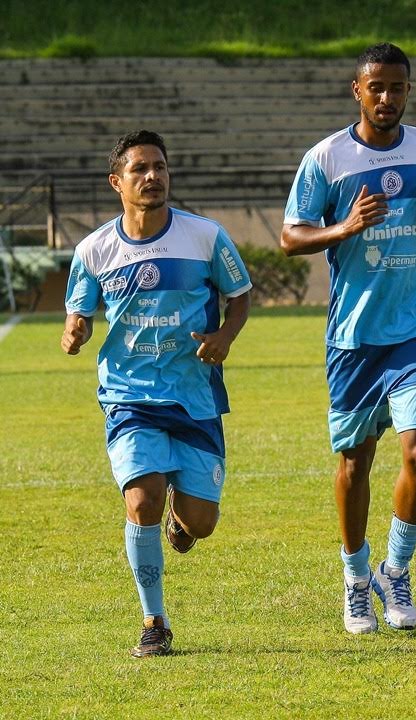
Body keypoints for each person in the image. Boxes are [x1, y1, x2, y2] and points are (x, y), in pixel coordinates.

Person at [281, 43, 416, 634]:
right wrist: (345, 227)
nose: (386, 97)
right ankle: (356, 579)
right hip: (354, 336)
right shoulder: (326, 158)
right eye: (375, 87)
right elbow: (291, 237)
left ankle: (395, 570)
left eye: (396, 87)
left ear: (409, 91)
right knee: (355, 462)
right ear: (357, 90)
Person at [62, 130, 252, 656]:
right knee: (141, 499)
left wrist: (224, 336)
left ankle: (181, 517)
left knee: (201, 524)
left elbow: (239, 296)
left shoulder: (206, 237)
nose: (153, 176)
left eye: (160, 167)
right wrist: (75, 330)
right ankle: (154, 621)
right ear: (116, 182)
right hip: (129, 395)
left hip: (194, 397)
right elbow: (79, 310)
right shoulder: (93, 249)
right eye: (140, 169)